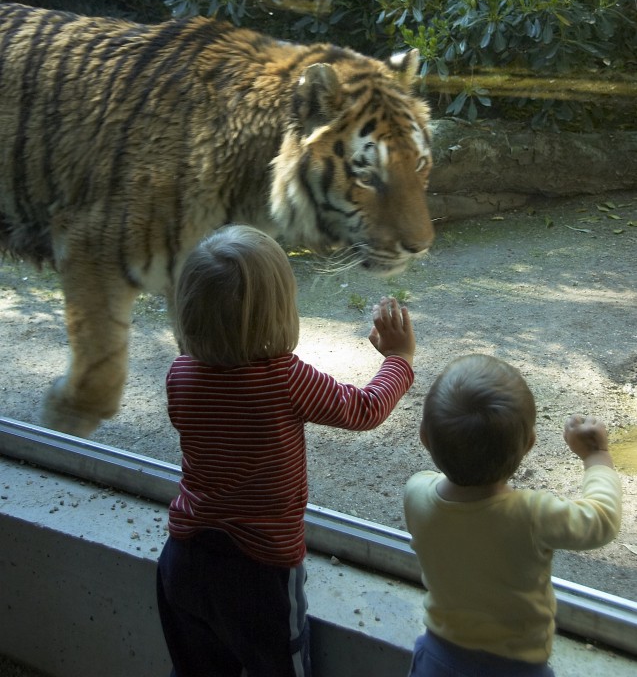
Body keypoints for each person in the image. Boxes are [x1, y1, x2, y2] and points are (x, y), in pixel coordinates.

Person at [156, 224, 416, 677]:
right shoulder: (282, 378)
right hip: (259, 574)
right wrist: (400, 360)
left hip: (183, 560)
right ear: (278, 312)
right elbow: (364, 409)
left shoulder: (180, 375)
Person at [404, 354, 622, 677]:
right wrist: (597, 457)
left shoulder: (417, 493)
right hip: (517, 669)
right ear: (529, 445)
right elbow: (602, 519)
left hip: (436, 660)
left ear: (424, 437)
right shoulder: (531, 515)